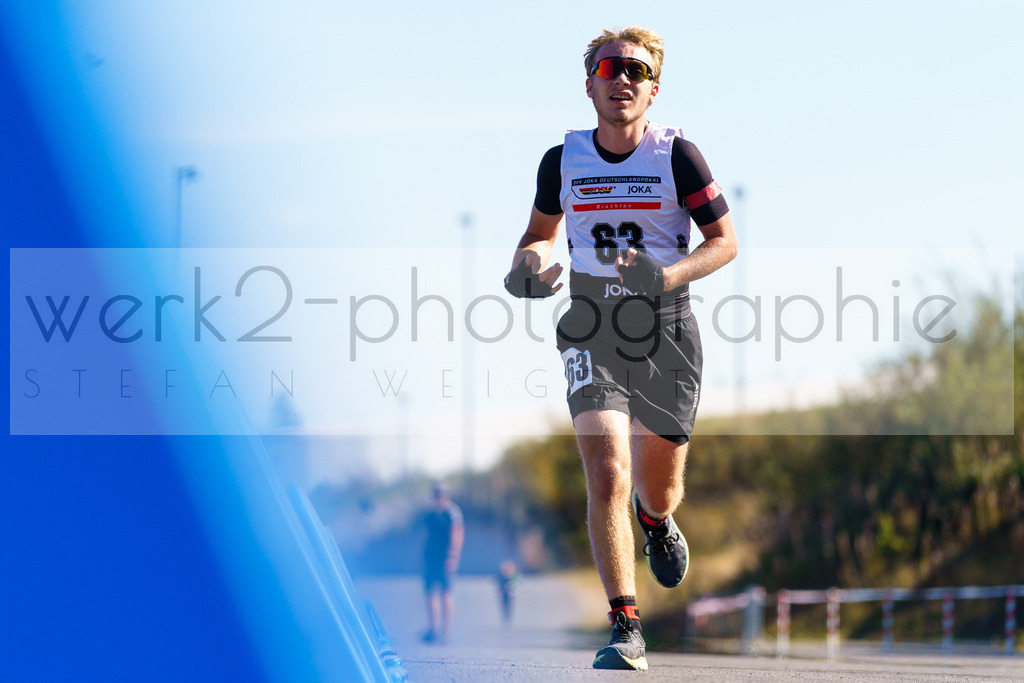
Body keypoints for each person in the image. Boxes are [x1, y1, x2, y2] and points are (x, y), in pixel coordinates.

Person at [503, 26, 737, 670]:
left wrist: (666, 276)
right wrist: (525, 270)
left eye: (636, 70)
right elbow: (538, 235)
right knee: (607, 468)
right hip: (591, 324)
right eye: (610, 69)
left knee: (657, 486)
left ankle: (655, 522)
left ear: (653, 89)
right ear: (590, 85)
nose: (622, 79)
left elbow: (725, 242)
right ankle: (626, 626)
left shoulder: (678, 156)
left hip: (666, 326)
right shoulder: (562, 160)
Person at [421, 483, 464, 643]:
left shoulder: (452, 513)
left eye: (441, 496)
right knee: (429, 591)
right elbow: (427, 535)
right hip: (431, 557)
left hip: (445, 557)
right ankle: (433, 627)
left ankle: (445, 628)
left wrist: (453, 556)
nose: (438, 499)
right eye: (436, 496)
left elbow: (457, 534)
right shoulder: (431, 514)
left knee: (445, 592)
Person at [496, 559, 521, 625]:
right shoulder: (502, 576)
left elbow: (515, 582)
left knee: (508, 605)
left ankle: (508, 616)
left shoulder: (511, 575)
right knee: (505, 605)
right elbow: (499, 583)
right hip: (504, 593)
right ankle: (506, 616)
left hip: (509, 593)